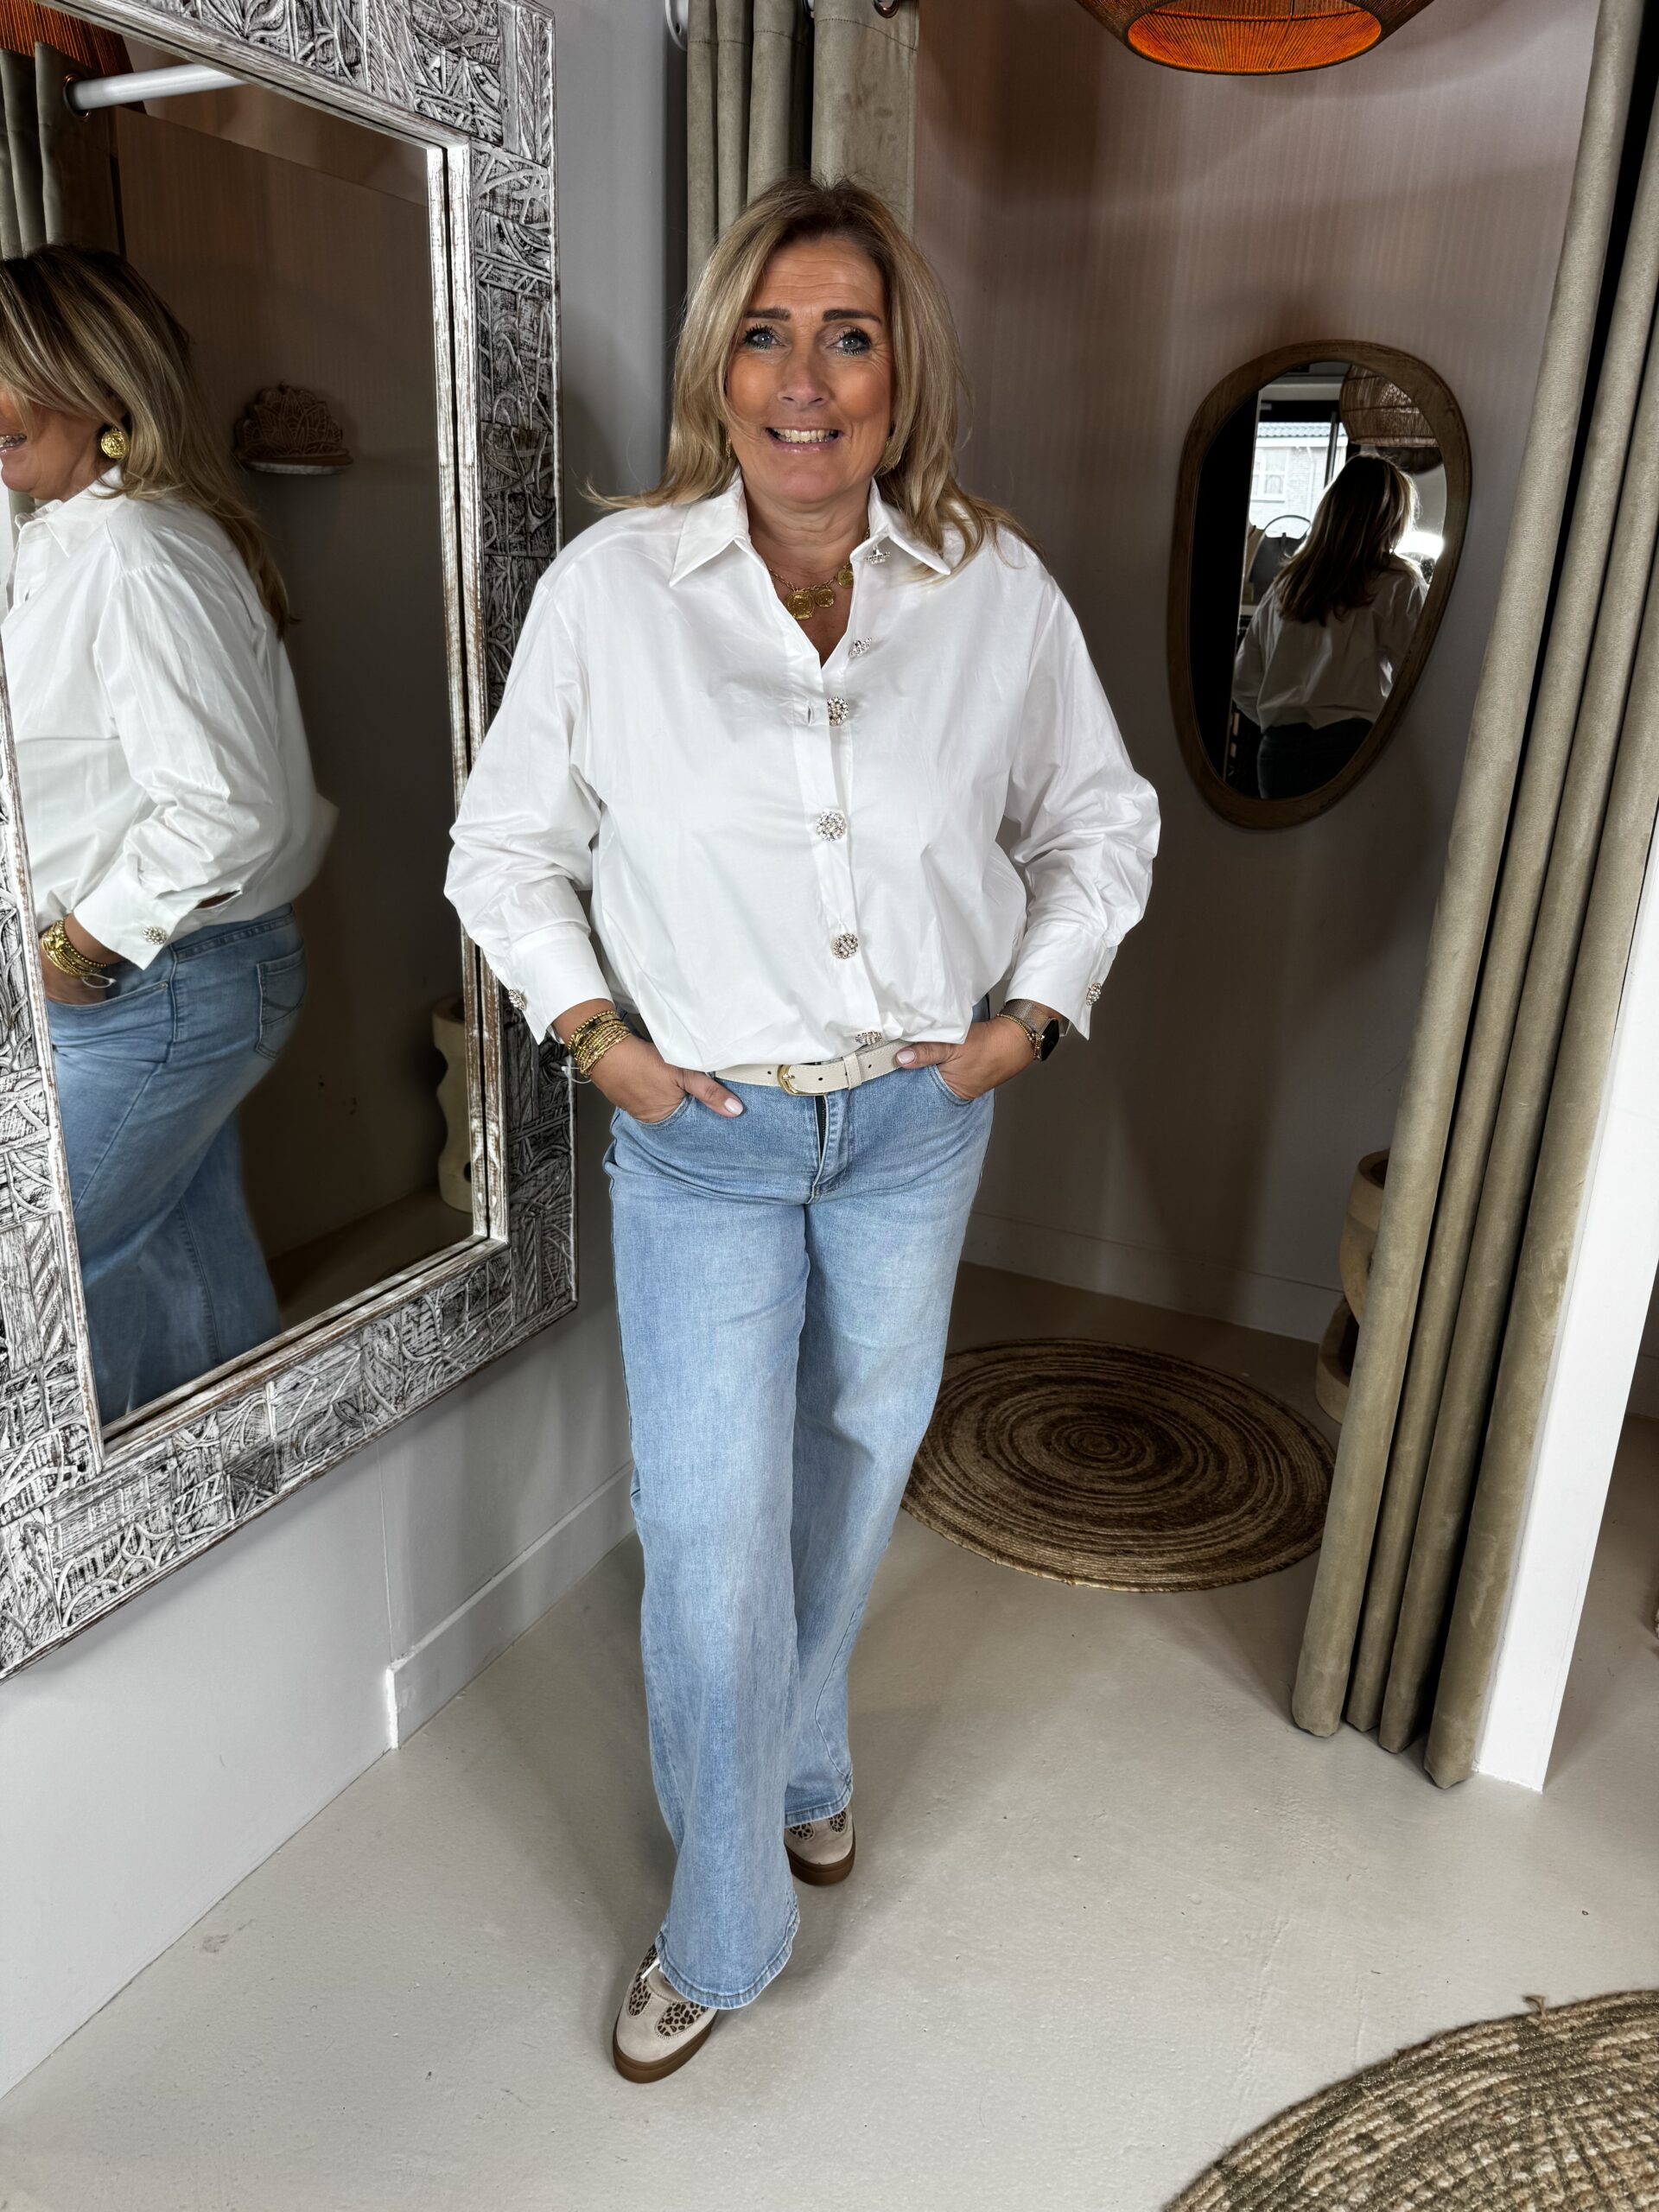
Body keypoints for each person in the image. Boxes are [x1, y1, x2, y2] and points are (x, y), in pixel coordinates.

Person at [446, 177, 1160, 2083]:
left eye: (849, 335)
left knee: (855, 1460)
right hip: (706, 1131)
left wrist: (1026, 1018)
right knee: (704, 1519)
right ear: (717, 367)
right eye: (765, 334)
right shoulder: (616, 591)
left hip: (916, 1123)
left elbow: (1101, 820)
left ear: (901, 370)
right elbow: (506, 849)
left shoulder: (993, 589)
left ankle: (808, 1753)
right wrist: (600, 1041)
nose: (805, 380)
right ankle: (723, 1922)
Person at [0, 245, 334, 1422]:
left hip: (159, 983)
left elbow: (223, 808)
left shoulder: (135, 547)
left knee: (36, 1283)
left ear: (98, 380)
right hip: (165, 983)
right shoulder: (62, 535)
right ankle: (254, 1475)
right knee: (179, 1270)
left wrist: (76, 950)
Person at [1231, 454, 1427, 801]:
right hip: (1351, 749)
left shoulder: (1287, 583)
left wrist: (1282, 717)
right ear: (1393, 518)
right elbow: (1419, 684)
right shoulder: (1399, 584)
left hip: (1278, 754)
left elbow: (1243, 683)